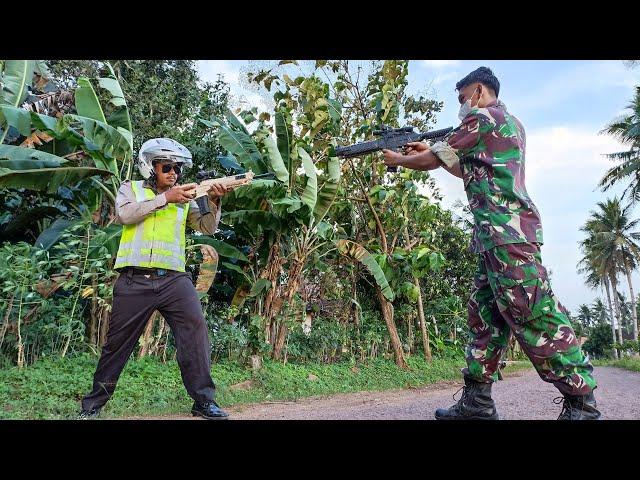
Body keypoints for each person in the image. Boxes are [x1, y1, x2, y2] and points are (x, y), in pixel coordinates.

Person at [383, 67, 601, 420]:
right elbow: (468, 166)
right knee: (484, 317)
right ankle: (477, 402)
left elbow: (429, 161)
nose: (462, 106)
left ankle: (582, 403)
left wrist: (400, 160)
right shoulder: (509, 123)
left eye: (462, 98)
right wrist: (428, 151)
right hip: (495, 240)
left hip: (507, 238)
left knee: (533, 313)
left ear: (479, 90)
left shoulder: (481, 118)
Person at [78, 138, 232, 420]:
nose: (174, 173)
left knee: (195, 332)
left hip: (174, 280)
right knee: (117, 345)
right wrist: (164, 199)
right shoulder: (131, 188)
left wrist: (213, 199)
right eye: (167, 167)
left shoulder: (186, 198)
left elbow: (207, 228)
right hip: (134, 280)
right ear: (151, 167)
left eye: (177, 168)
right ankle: (92, 407)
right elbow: (125, 215)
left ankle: (203, 402)